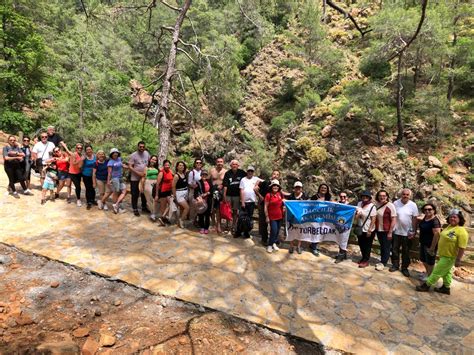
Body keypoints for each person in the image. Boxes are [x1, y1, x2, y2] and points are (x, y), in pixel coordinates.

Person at [416, 209, 468, 295]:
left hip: (450, 257)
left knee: (437, 272)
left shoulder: (462, 231)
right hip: (443, 255)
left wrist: (458, 259)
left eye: (455, 217)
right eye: (451, 217)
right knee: (446, 272)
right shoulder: (449, 227)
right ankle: (446, 288)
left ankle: (426, 285)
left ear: (460, 219)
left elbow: (462, 247)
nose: (452, 219)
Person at [390, 188, 419, 277]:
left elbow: (414, 218)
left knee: (406, 251)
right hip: (396, 231)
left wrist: (413, 231)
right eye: (404, 194)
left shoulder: (413, 205)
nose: (405, 196)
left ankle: (404, 268)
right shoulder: (395, 203)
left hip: (407, 233)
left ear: (410, 196)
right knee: (394, 250)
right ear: (401, 195)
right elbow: (393, 216)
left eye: (407, 195)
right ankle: (395, 265)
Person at [373, 190, 397, 271]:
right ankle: (382, 261)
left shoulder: (390, 206)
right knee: (382, 246)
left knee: (386, 247)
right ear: (378, 196)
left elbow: (394, 219)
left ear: (387, 196)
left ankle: (383, 263)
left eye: (384, 195)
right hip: (379, 230)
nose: (382, 197)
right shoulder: (376, 204)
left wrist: (390, 232)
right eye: (380, 195)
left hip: (387, 230)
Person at [235, 166, 262, 238]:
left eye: (251, 171)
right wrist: (243, 201)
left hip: (252, 202)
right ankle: (238, 231)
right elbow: (241, 190)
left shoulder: (255, 179)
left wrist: (257, 183)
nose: (250, 172)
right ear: (247, 172)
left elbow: (264, 182)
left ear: (253, 172)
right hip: (244, 201)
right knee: (241, 217)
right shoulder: (243, 179)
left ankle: (246, 232)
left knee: (249, 218)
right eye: (249, 171)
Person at [417, 203, 441, 280]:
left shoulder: (435, 221)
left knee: (430, 262)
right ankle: (428, 274)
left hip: (430, 245)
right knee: (423, 260)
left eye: (430, 209)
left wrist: (432, 248)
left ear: (434, 210)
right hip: (423, 243)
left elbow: (437, 235)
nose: (427, 211)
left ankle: (430, 277)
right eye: (425, 209)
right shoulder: (426, 218)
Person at [256, 170, 281, 245]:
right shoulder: (265, 182)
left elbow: (281, 193)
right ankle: (264, 239)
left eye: (277, 174)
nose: (275, 175)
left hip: (273, 208)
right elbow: (255, 188)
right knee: (264, 223)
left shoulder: (277, 185)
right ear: (272, 175)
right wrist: (260, 196)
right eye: (274, 174)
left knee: (274, 225)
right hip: (264, 205)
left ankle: (274, 239)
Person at [223, 160, 246, 234]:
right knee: (228, 211)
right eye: (233, 164)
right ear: (231, 165)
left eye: (236, 164)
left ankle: (233, 226)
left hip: (237, 196)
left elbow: (248, 178)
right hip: (229, 195)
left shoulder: (242, 173)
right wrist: (224, 196)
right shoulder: (227, 173)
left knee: (235, 211)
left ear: (238, 165)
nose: (234, 165)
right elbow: (225, 186)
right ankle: (228, 225)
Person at [355, 191, 377, 268]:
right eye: (363, 196)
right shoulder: (359, 204)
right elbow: (356, 216)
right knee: (361, 244)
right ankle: (363, 258)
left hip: (368, 228)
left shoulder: (372, 206)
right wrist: (358, 215)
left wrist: (370, 230)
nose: (364, 198)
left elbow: (373, 219)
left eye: (366, 197)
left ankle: (366, 260)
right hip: (360, 227)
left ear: (369, 198)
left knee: (367, 245)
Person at [128, 141, 150, 216]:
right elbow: (130, 166)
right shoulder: (133, 155)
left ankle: (144, 207)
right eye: (140, 147)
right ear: (138, 147)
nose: (142, 148)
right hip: (135, 178)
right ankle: (135, 208)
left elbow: (149, 163)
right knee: (135, 194)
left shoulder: (147, 153)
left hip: (144, 177)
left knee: (144, 192)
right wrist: (138, 173)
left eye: (143, 147)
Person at [309, 183, 332, 256]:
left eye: (325, 188)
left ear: (327, 190)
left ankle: (313, 245)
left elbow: (331, 205)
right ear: (319, 188)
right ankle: (314, 248)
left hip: (324, 218)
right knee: (315, 232)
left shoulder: (328, 197)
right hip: (315, 217)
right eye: (322, 188)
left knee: (320, 232)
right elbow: (309, 205)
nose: (323, 189)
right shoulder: (314, 197)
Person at [265, 180, 285, 253]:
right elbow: (265, 206)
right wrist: (267, 216)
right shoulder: (268, 195)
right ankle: (270, 245)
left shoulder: (280, 194)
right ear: (271, 187)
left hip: (280, 216)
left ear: (279, 187)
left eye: (277, 185)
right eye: (274, 185)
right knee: (273, 230)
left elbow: (284, 202)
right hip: (272, 217)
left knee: (277, 231)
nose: (275, 187)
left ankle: (274, 243)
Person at [287, 181, 307, 254]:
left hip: (301, 217)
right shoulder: (291, 196)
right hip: (292, 217)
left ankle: (298, 246)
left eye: (299, 187)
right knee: (291, 231)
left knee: (300, 231)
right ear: (294, 188)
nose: (297, 189)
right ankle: (291, 245)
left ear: (301, 188)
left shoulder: (304, 196)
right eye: (296, 187)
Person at [106, 148, 127, 214]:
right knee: (116, 192)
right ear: (111, 154)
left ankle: (116, 205)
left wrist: (128, 167)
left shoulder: (119, 159)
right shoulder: (110, 162)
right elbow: (109, 173)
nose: (115, 154)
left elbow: (122, 166)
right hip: (114, 178)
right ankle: (117, 207)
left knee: (124, 191)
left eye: (116, 152)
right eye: (114, 153)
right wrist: (108, 181)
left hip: (120, 178)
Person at [209, 157, 227, 233]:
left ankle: (218, 224)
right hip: (213, 190)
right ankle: (213, 224)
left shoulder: (226, 172)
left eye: (221, 162)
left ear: (223, 163)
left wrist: (222, 185)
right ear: (216, 162)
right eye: (218, 161)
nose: (219, 163)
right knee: (213, 207)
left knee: (219, 208)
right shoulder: (212, 171)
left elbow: (226, 182)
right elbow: (208, 180)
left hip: (221, 191)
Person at [156, 159, 174, 225]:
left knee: (170, 204)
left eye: (168, 165)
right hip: (163, 191)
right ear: (163, 165)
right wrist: (157, 195)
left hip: (169, 191)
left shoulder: (170, 171)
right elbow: (157, 184)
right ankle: (163, 219)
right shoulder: (161, 172)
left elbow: (173, 177)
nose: (167, 166)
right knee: (163, 206)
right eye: (166, 165)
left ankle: (163, 217)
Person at [141, 155, 159, 221]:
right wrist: (142, 187)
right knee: (150, 199)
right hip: (148, 183)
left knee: (155, 199)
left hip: (155, 184)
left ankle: (153, 212)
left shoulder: (157, 168)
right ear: (150, 160)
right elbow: (143, 178)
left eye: (155, 160)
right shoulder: (146, 168)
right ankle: (153, 213)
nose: (153, 161)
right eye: (152, 159)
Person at [194, 170, 212, 234]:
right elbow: (195, 193)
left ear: (207, 176)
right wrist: (198, 198)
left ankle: (206, 228)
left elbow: (212, 190)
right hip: (201, 200)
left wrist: (207, 193)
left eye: (205, 175)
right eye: (203, 175)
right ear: (201, 175)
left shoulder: (209, 182)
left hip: (208, 200)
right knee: (201, 214)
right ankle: (202, 227)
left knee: (207, 215)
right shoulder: (198, 182)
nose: (204, 176)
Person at [172, 161, 189, 228]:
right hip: (179, 194)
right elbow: (173, 186)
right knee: (187, 208)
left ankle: (179, 222)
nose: (181, 167)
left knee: (182, 209)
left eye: (183, 165)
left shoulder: (184, 174)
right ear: (177, 167)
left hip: (185, 193)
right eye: (180, 165)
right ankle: (181, 220)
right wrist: (174, 196)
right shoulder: (176, 176)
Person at [334, 191, 350, 263]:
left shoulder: (350, 205)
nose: (342, 198)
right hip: (339, 224)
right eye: (341, 196)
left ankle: (341, 255)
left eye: (344, 196)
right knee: (340, 239)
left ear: (347, 197)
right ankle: (343, 254)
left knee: (344, 240)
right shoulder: (338, 204)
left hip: (346, 225)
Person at [187, 158, 203, 223]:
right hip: (193, 191)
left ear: (202, 164)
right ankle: (192, 220)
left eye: (200, 163)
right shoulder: (192, 172)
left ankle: (198, 220)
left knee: (200, 206)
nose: (198, 164)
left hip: (201, 192)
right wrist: (194, 186)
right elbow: (189, 182)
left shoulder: (202, 172)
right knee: (193, 206)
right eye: (197, 163)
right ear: (194, 164)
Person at [82, 145, 97, 209]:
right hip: (86, 175)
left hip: (94, 175)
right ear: (85, 151)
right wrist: (82, 159)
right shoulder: (84, 158)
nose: (89, 151)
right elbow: (80, 165)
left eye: (90, 149)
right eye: (87, 150)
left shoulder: (95, 157)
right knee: (88, 188)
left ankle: (93, 200)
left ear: (92, 150)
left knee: (93, 188)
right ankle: (88, 202)